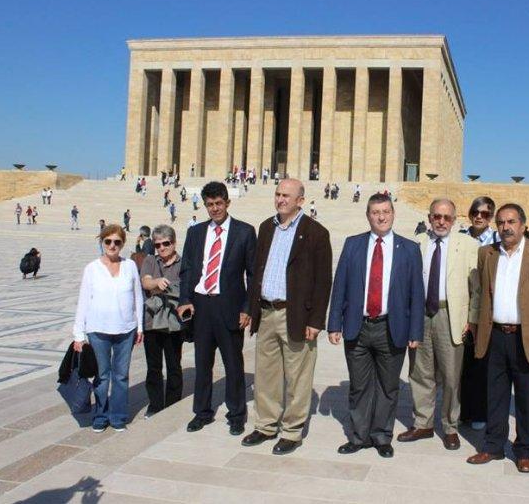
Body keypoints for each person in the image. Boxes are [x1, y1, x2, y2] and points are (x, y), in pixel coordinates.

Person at [328, 193, 424, 458]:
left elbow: (417, 293)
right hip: (358, 326)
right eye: (375, 212)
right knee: (359, 385)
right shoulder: (353, 244)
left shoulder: (409, 249)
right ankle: (358, 436)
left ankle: (381, 436)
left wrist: (416, 331)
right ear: (368, 215)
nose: (381, 217)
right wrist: (334, 323)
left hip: (390, 327)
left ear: (393, 214)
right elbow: (340, 287)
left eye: (386, 211)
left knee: (387, 386)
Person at [466, 204, 529, 473]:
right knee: (495, 395)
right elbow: (484, 291)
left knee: (525, 397)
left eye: (511, 222)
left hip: (524, 336)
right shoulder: (488, 254)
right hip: (495, 334)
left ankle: (524, 451)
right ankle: (493, 446)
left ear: (522, 225)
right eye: (501, 222)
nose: (506, 227)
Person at [244, 179, 332, 455]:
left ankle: (292, 431)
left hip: (295, 314)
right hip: (267, 311)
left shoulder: (316, 233)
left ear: (300, 201)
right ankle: (266, 425)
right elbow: (257, 272)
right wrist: (251, 309)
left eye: (286, 195)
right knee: (266, 373)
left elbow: (323, 281)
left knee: (297, 376)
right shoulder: (266, 228)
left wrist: (316, 321)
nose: (280, 199)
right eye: (278, 194)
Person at [398, 199, 479, 451]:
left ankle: (450, 426)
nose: (441, 221)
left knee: (452, 375)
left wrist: (472, 320)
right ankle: (423, 423)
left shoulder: (468, 245)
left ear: (454, 220)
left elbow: (476, 288)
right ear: (429, 217)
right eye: (437, 216)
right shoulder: (417, 243)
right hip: (421, 314)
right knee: (420, 372)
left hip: (450, 314)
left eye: (446, 217)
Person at [177, 182, 256, 436]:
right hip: (202, 305)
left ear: (227, 203)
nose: (215, 209)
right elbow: (187, 269)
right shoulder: (196, 232)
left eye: (218, 203)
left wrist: (248, 308)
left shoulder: (244, 232)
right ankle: (202, 412)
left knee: (233, 363)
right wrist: (184, 300)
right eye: (210, 204)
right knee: (202, 363)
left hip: (229, 305)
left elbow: (253, 275)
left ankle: (236, 414)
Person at [72, 224, 144, 432]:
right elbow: (83, 301)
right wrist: (78, 334)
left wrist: (140, 326)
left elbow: (137, 297)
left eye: (117, 242)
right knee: (102, 376)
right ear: (102, 242)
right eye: (108, 241)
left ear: (122, 244)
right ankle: (101, 416)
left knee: (121, 375)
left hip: (126, 329)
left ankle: (119, 417)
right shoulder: (92, 268)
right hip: (98, 330)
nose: (112, 245)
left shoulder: (130, 265)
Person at [458, 196, 500, 431]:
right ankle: (465, 411)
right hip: (464, 309)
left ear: (491, 216)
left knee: (483, 363)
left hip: (487, 311)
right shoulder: (462, 238)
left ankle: (481, 411)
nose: (479, 216)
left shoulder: (496, 241)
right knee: (463, 363)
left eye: (485, 213)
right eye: (476, 212)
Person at [140, 225, 185, 418]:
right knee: (154, 366)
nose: (162, 248)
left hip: (174, 322)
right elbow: (146, 282)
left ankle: (174, 404)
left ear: (174, 243)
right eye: (158, 244)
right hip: (152, 321)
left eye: (166, 243)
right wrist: (156, 283)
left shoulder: (184, 263)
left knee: (174, 364)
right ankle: (155, 404)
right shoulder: (151, 260)